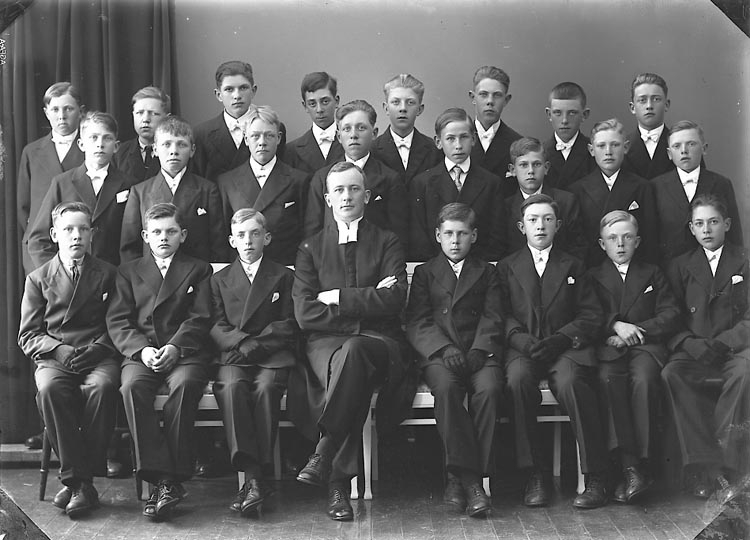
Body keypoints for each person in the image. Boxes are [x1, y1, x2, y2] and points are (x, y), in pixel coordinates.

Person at [293, 161, 411, 521]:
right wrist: (368, 300)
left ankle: (326, 456)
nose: (347, 196)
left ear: (367, 195)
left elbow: (394, 300)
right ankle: (337, 482)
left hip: (380, 342)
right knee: (351, 359)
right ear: (328, 198)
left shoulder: (387, 241)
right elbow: (305, 314)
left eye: (354, 189)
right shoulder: (311, 247)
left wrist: (336, 298)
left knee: (356, 351)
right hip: (325, 345)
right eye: (339, 190)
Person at [498, 194, 608, 509]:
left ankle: (595, 475)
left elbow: (590, 314)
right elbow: (498, 314)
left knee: (573, 382)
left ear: (558, 225)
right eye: (533, 220)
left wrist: (561, 339)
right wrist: (520, 340)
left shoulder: (574, 264)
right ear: (522, 226)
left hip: (564, 348)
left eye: (547, 219)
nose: (540, 226)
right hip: (525, 348)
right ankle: (535, 474)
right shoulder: (507, 266)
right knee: (517, 380)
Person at [107, 203, 213, 520]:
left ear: (183, 235)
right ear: (145, 236)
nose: (163, 237)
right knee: (131, 388)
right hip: (142, 352)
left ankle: (170, 479)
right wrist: (142, 350)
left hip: (184, 351)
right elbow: (119, 321)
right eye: (156, 232)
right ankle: (161, 479)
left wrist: (176, 347)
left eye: (170, 231)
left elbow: (201, 316)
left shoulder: (199, 269)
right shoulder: (127, 271)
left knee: (185, 384)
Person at [18, 201, 119, 518]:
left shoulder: (109, 273)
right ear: (54, 234)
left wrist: (99, 348)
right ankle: (82, 482)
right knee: (49, 390)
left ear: (92, 233)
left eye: (83, 229)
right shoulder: (38, 278)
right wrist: (59, 350)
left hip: (98, 355)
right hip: (55, 357)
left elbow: (120, 323)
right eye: (68, 229)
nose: (76, 236)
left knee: (103, 387)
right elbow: (28, 334)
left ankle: (76, 481)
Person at [405, 202, 503, 517]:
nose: (455, 240)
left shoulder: (487, 271)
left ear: (473, 236)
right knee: (447, 390)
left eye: (462, 233)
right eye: (448, 233)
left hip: (478, 352)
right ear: (438, 235)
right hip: (440, 354)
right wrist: (443, 348)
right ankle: (471, 482)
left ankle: (461, 478)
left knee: (489, 389)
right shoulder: (425, 273)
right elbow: (417, 321)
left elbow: (494, 315)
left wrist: (479, 349)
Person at [587, 210, 680, 503]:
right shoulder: (593, 276)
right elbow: (589, 314)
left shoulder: (652, 272)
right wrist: (615, 325)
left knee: (644, 379)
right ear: (602, 244)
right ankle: (628, 467)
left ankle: (642, 464)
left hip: (645, 346)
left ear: (637, 241)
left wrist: (636, 330)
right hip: (610, 347)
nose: (620, 244)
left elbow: (670, 313)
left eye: (627, 237)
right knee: (608, 379)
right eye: (613, 238)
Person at [662, 193, 750, 504]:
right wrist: (691, 344)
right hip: (695, 350)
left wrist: (725, 342)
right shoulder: (679, 266)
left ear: (727, 224)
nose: (707, 229)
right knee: (672, 373)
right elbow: (669, 316)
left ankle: (727, 465)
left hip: (734, 349)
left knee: (745, 372)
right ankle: (701, 465)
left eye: (713, 222)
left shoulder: (745, 260)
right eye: (699, 223)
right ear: (691, 228)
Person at [210, 208, 299, 516]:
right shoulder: (219, 279)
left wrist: (258, 344)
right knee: (232, 388)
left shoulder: (284, 276)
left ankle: (253, 480)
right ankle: (255, 478)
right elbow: (215, 323)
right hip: (235, 354)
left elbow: (290, 322)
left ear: (267, 238)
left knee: (266, 389)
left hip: (271, 353)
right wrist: (241, 342)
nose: (248, 241)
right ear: (232, 241)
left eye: (255, 234)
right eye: (241, 235)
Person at [28, 111, 136, 268]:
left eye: (107, 138)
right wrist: (58, 274)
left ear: (116, 146)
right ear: (81, 144)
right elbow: (38, 240)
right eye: (93, 138)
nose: (100, 144)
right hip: (71, 274)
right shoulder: (62, 183)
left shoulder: (129, 184)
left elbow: (133, 241)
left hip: (113, 275)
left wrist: (123, 276)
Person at [303, 100, 408, 250]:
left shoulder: (389, 179)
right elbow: (312, 233)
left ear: (374, 133)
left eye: (361, 128)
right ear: (339, 137)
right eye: (347, 129)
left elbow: (398, 235)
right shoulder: (322, 178)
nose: (353, 135)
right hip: (331, 257)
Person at [120, 116, 225, 263]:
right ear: (155, 149)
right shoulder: (139, 192)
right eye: (166, 144)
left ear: (192, 150)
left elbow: (218, 245)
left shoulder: (207, 190)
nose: (174, 151)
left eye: (181, 145)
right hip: (151, 273)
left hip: (196, 271)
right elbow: (129, 248)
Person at [217, 106, 309, 265]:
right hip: (244, 268)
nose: (262, 142)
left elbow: (306, 232)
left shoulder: (299, 180)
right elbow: (222, 236)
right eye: (255, 136)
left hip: (285, 267)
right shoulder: (227, 182)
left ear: (278, 138)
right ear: (246, 139)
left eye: (269, 135)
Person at [409, 108, 504, 262]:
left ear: (473, 139)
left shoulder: (491, 183)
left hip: (478, 267)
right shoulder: (422, 183)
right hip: (435, 269)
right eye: (450, 139)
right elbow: (420, 239)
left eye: (464, 137)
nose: (458, 145)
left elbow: (496, 236)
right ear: (438, 142)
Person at [569, 118, 658, 267]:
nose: (608, 152)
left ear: (626, 147)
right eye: (601, 146)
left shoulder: (642, 187)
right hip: (592, 269)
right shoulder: (577, 190)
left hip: (634, 268)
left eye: (615, 145)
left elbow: (650, 238)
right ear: (591, 150)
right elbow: (577, 242)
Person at [653, 120, 742, 267]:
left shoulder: (721, 183)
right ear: (669, 153)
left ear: (704, 148)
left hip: (713, 268)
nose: (684, 151)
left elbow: (734, 234)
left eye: (691, 144)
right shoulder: (655, 186)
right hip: (670, 269)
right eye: (677, 146)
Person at [18, 82, 85, 275]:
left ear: (80, 112)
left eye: (68, 109)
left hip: (79, 243)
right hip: (39, 249)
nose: (61, 116)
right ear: (46, 113)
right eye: (55, 109)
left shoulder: (91, 149)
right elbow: (23, 206)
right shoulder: (32, 152)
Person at [192, 60, 286, 182]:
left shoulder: (272, 128)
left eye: (243, 88)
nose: (237, 96)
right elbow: (198, 182)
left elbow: (280, 174)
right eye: (229, 89)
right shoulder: (202, 134)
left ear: (253, 90)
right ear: (218, 95)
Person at [504, 137, 586, 260]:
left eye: (536, 164)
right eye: (523, 165)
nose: (531, 171)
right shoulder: (505, 207)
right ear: (513, 170)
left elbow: (578, 247)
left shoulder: (566, 202)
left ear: (546, 168)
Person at [372, 73, 440, 187]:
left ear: (420, 109)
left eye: (410, 102)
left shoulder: (434, 150)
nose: (403, 108)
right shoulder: (372, 150)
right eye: (396, 102)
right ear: (386, 108)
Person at [467, 65, 522, 198]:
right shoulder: (458, 140)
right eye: (483, 94)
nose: (490, 101)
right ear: (473, 97)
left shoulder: (517, 144)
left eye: (497, 95)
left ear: (506, 100)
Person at [283, 71, 345, 174]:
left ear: (336, 101)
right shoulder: (291, 151)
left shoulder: (351, 143)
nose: (319, 109)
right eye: (312, 104)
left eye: (325, 101)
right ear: (305, 106)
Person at [542, 82, 595, 190]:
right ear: (549, 114)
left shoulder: (595, 153)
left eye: (572, 113)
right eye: (558, 113)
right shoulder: (540, 153)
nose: (565, 120)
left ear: (584, 115)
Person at [623, 73, 675, 180]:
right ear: (632, 107)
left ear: (666, 105)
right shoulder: (621, 147)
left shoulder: (682, 144)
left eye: (656, 99)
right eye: (642, 100)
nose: (649, 106)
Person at [113, 86, 171, 182]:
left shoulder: (174, 152)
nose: (145, 119)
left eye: (153, 113)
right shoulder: (119, 154)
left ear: (167, 118)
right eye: (140, 113)